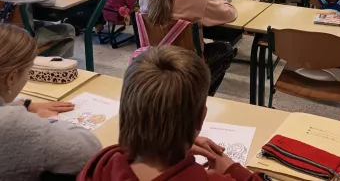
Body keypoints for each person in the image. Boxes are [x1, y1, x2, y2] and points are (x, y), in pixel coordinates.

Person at [78, 46, 261, 181]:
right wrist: (233, 169)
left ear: (125, 110)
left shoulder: (100, 165)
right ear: (201, 119)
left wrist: (163, 142)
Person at [0, 24, 101, 180]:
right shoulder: (12, 123)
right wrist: (50, 119)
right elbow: (90, 150)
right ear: (11, 77)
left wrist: (26, 105)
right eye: (29, 71)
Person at [139, 0, 237, 95]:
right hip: (186, 64)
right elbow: (229, 14)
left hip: (154, 60)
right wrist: (221, 2)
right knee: (226, 49)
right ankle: (198, 95)